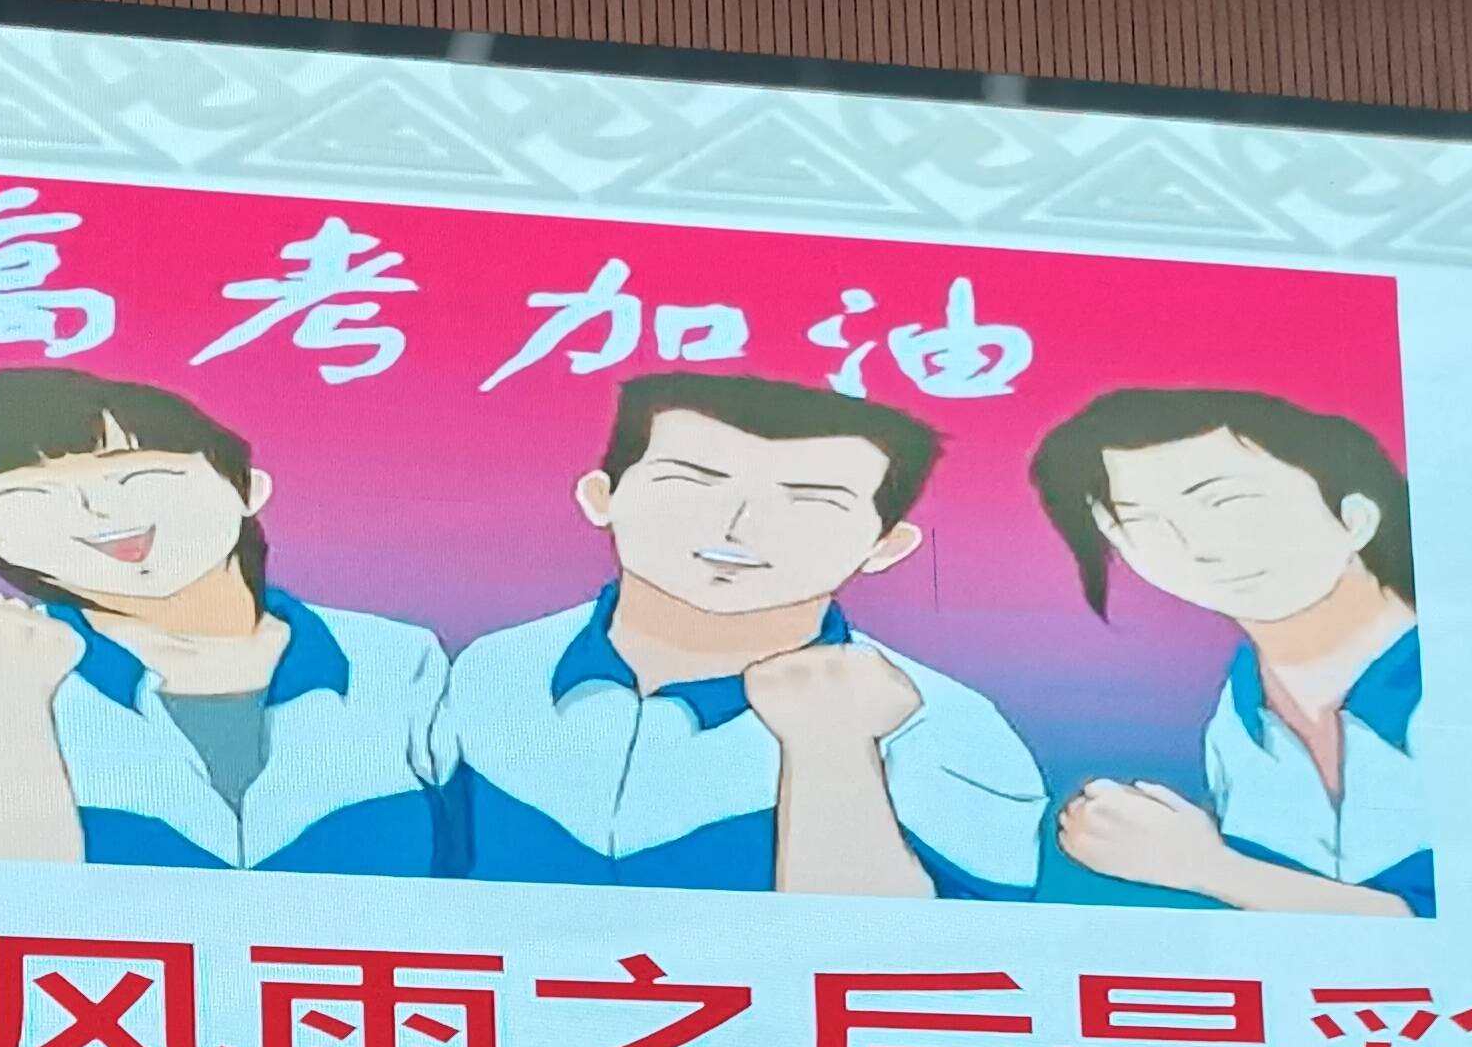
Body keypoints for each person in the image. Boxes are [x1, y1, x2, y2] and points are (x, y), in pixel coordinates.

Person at [440, 373, 1043, 898]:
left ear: (886, 545)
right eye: (691, 482)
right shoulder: (496, 667)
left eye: (812, 502)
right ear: (603, 497)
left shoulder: (944, 725)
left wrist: (834, 751)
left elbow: (936, 963)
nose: (738, 526)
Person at [0, 368, 451, 871]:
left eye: (139, 478)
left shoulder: (395, 658)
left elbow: (477, 874)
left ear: (246, 487)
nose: (98, 511)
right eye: (27, 497)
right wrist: (13, 699)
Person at [1026, 386, 1428, 915]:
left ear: (1354, 517)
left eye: (1228, 504)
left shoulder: (1453, 680)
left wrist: (1205, 868)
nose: (1198, 548)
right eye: (1141, 524)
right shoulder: (1240, 714)